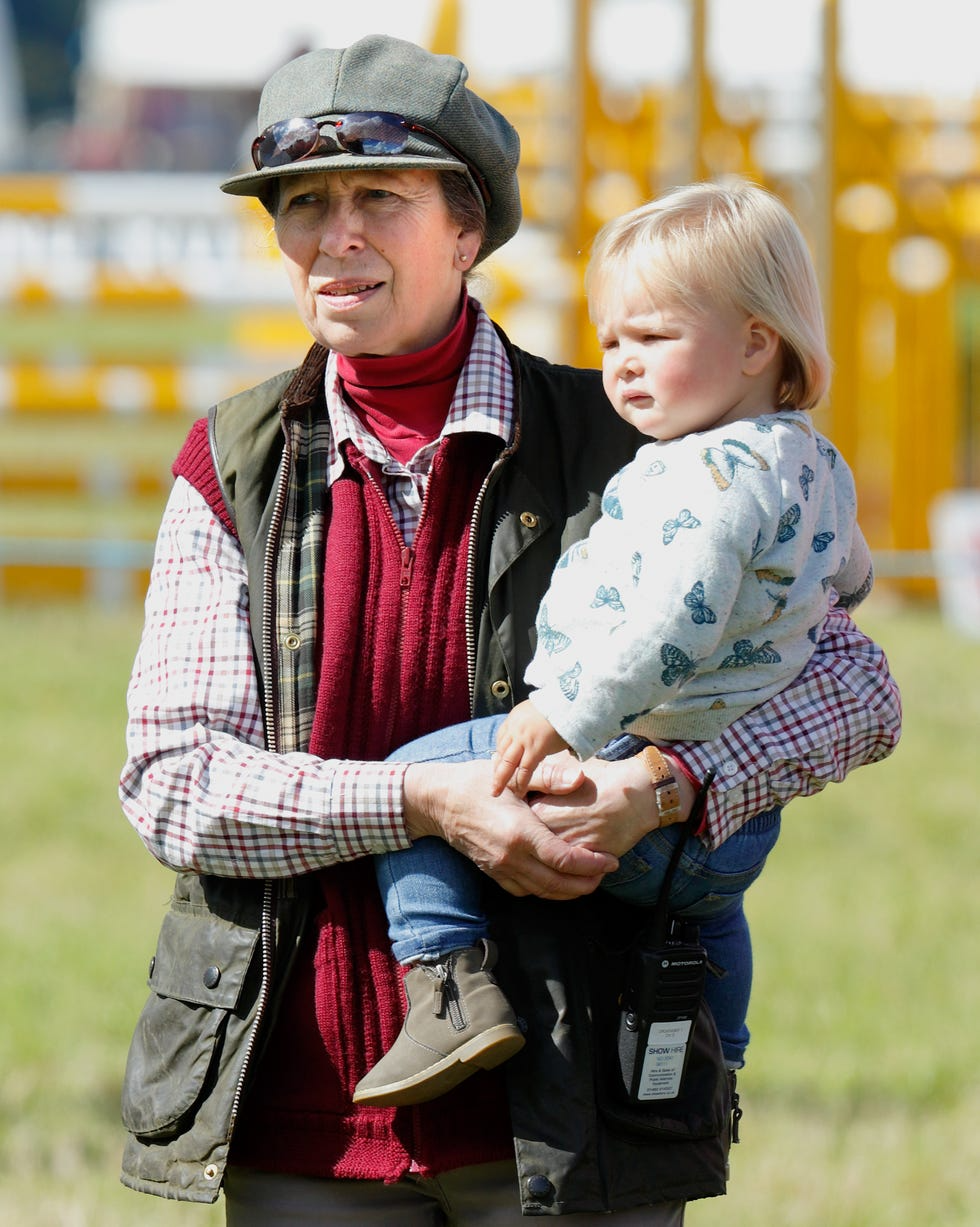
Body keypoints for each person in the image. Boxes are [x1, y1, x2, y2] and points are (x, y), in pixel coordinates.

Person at [118, 34, 901, 1226]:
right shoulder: (228, 464)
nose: (335, 236)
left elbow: (857, 694)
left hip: (579, 1107)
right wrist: (426, 802)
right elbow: (174, 784)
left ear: (467, 228)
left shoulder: (650, 441)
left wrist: (662, 787)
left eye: (380, 197)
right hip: (304, 1112)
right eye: (303, 204)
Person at [355, 179, 875, 1109]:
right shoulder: (812, 458)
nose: (624, 366)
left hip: (632, 754)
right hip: (734, 819)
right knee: (710, 911)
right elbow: (852, 573)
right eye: (611, 342)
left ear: (757, 342)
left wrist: (565, 714)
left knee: (417, 778)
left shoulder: (711, 477)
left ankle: (446, 983)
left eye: (654, 338)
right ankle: (720, 1055)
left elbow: (668, 629)